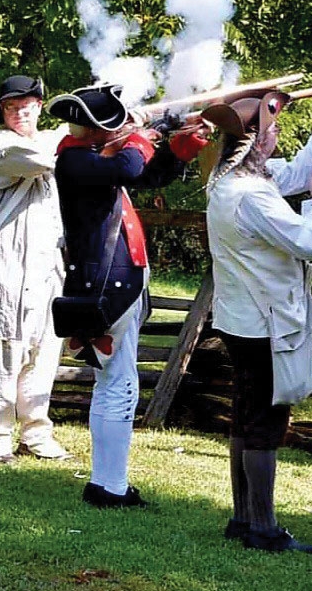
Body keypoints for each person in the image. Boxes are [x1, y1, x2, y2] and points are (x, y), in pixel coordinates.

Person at [202, 91, 312, 552]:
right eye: (270, 132)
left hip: (243, 317)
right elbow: (309, 242)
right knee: (265, 424)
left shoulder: (229, 178)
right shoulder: (250, 195)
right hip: (264, 322)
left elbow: (290, 173)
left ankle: (243, 518)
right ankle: (264, 528)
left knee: (246, 418)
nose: (276, 138)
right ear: (253, 141)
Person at [46, 83, 207, 508]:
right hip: (106, 287)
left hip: (114, 283)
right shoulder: (73, 160)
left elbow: (150, 173)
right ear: (100, 130)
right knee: (120, 385)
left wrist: (183, 146)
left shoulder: (95, 158)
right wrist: (139, 134)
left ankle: (107, 481)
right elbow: (132, 168)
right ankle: (110, 486)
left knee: (114, 383)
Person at [0, 74, 70, 464]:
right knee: (6, 356)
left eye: (27, 104)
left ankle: (37, 435)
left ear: (39, 106)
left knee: (44, 354)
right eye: (12, 106)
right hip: (6, 267)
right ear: (3, 112)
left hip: (47, 267)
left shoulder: (46, 138)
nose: (20, 111)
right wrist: (80, 134)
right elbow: (44, 159)